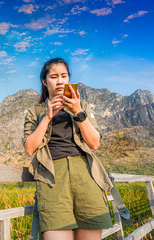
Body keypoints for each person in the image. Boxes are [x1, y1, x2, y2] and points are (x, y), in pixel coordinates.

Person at [23, 57, 114, 240]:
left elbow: (95, 143)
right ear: (44, 81)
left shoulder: (83, 107)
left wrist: (78, 112)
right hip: (52, 179)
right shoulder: (35, 111)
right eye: (54, 76)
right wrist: (47, 117)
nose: (60, 81)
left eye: (64, 76)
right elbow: (29, 148)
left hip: (86, 177)